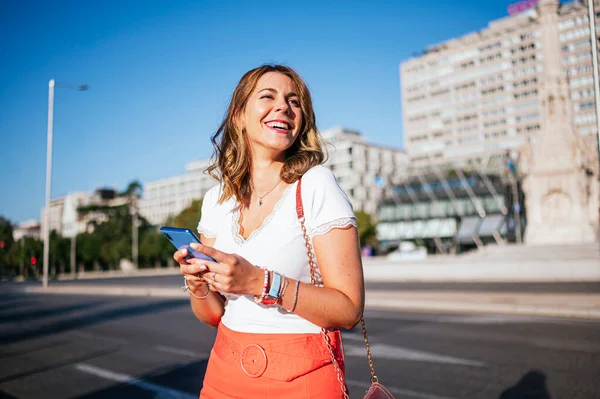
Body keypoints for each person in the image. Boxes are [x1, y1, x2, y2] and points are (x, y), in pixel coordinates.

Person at [173, 64, 365, 399]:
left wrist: (259, 282)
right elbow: (214, 314)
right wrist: (195, 282)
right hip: (222, 375)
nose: (284, 107)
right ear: (239, 116)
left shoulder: (316, 185)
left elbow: (348, 309)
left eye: (294, 102)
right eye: (268, 96)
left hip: (301, 379)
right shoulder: (216, 200)